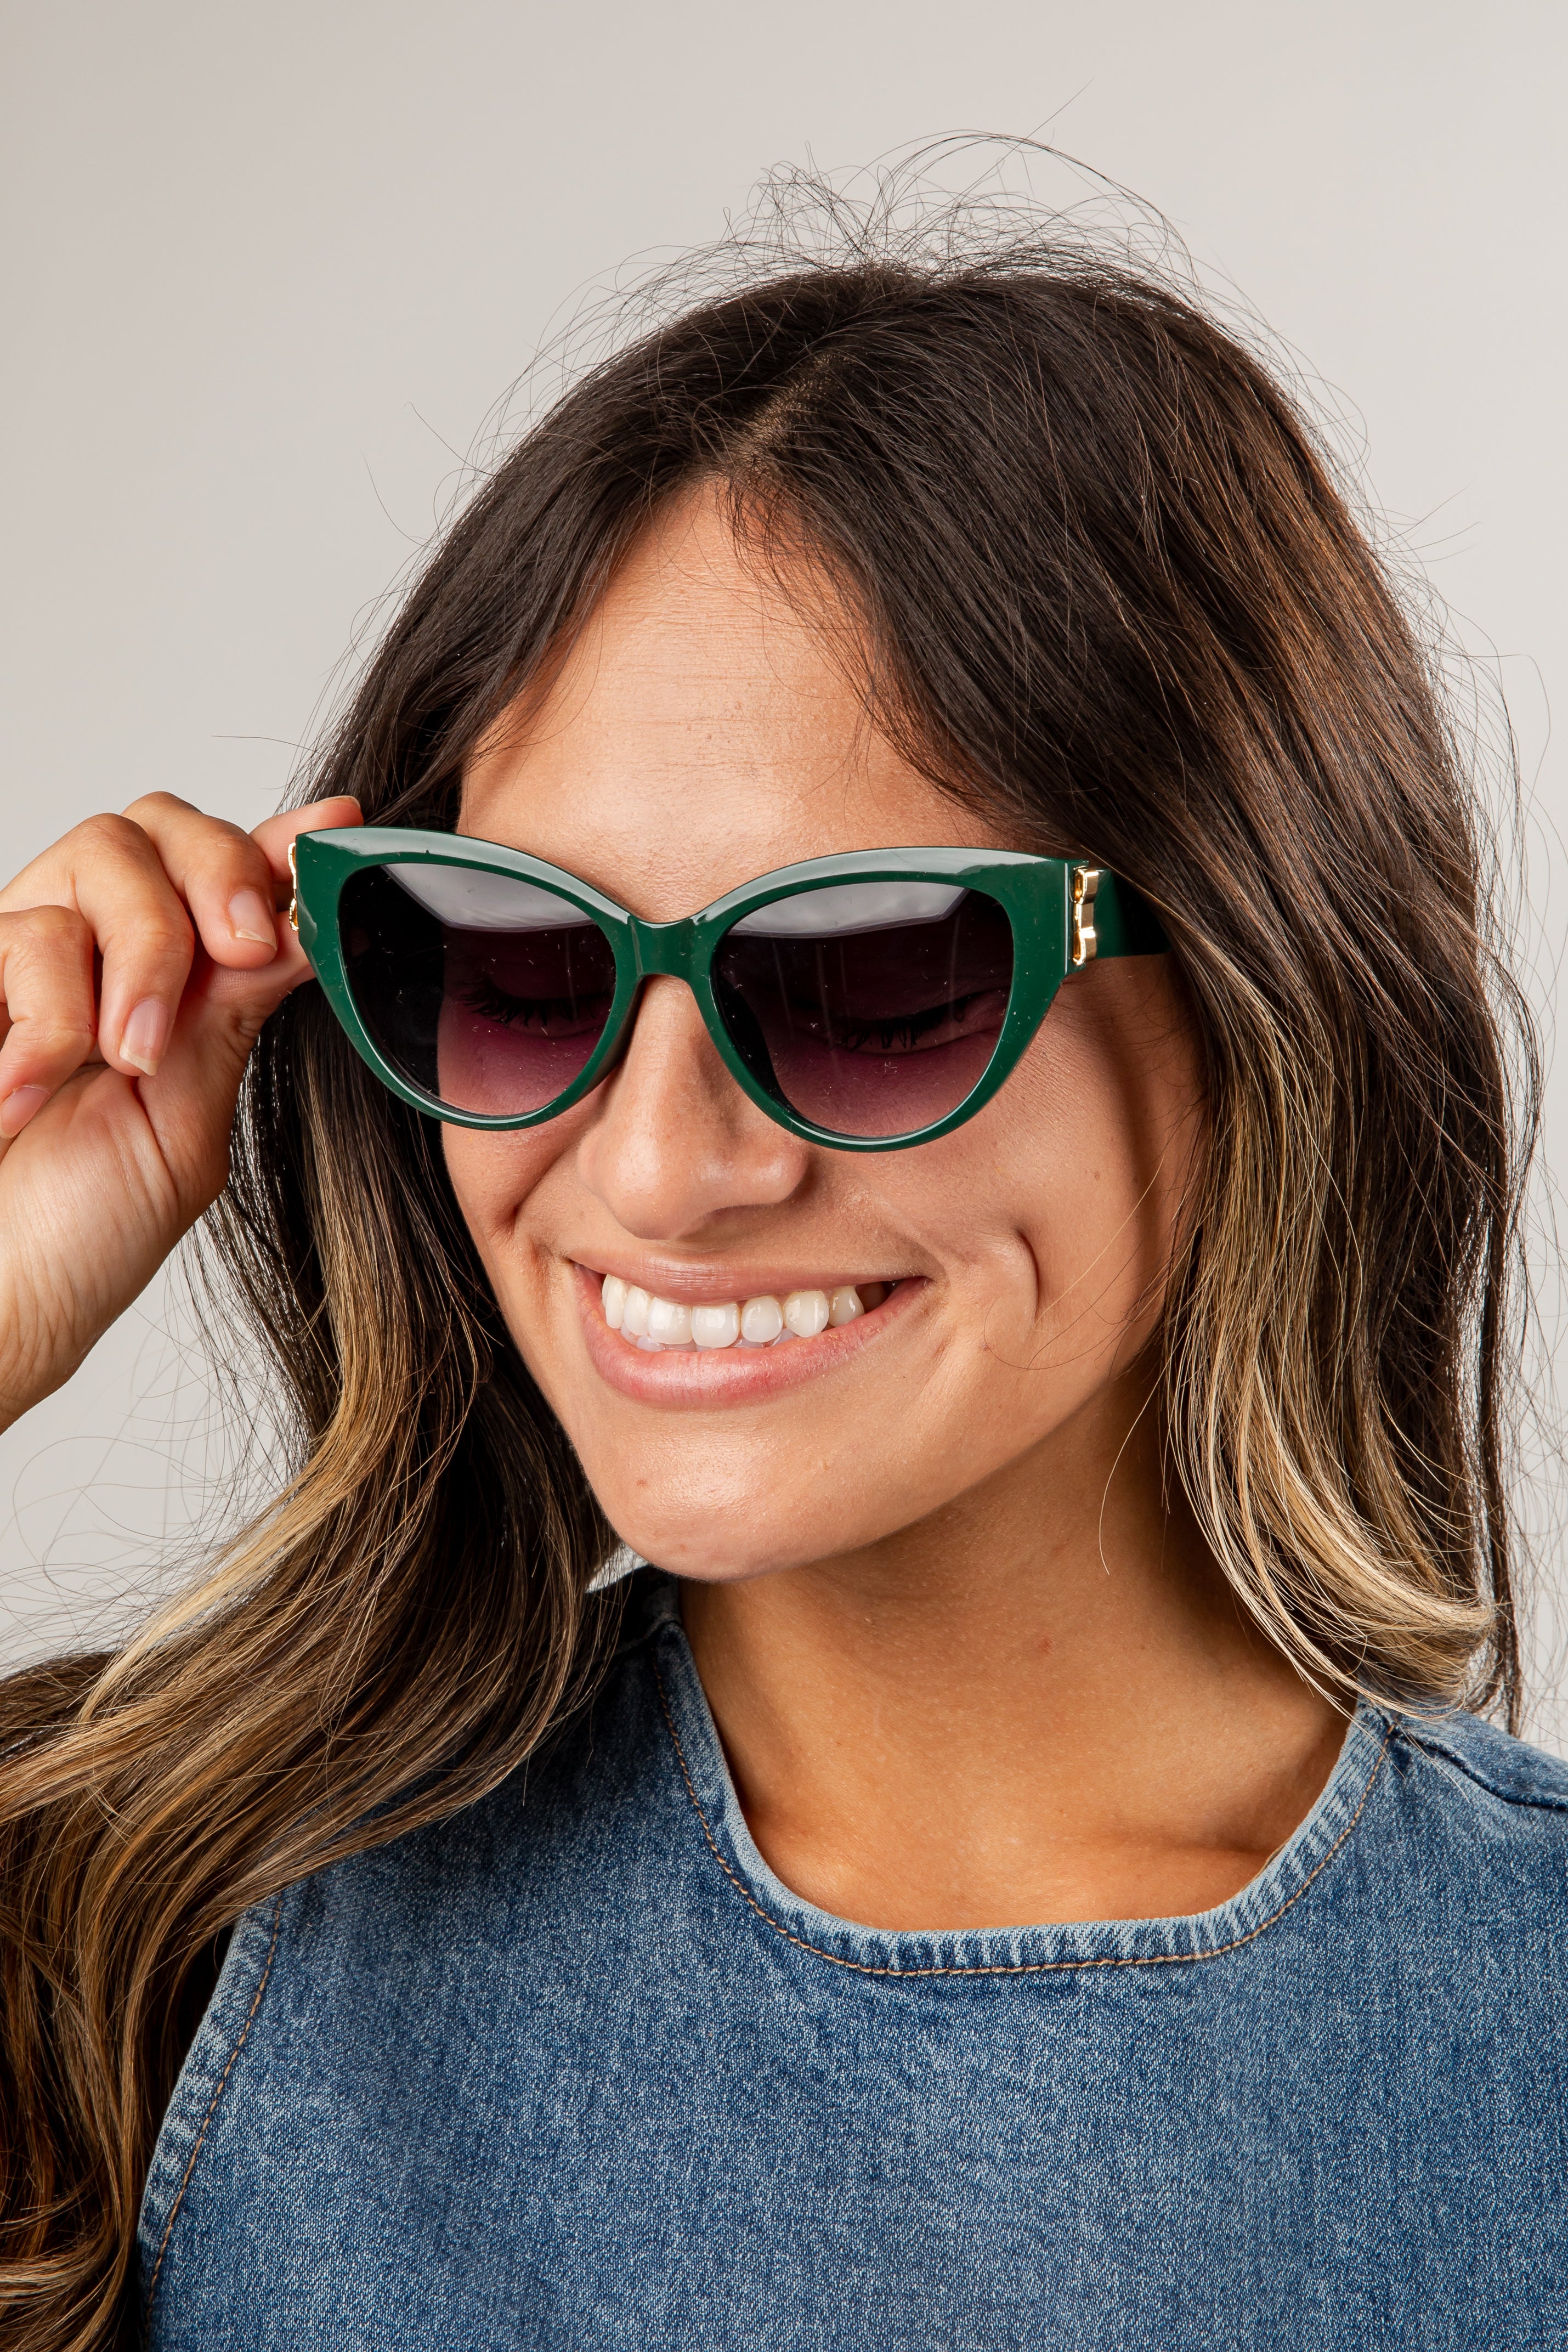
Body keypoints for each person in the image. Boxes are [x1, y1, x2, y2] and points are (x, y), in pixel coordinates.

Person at [0, 225, 1563, 2352]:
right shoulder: (128, 1937)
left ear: (1252, 991)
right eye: (520, 959)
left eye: (867, 974)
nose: (655, 1163)